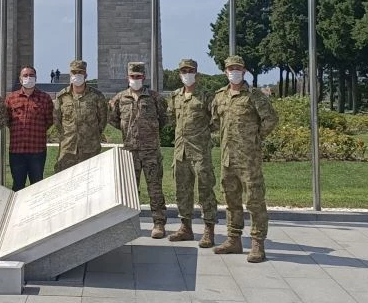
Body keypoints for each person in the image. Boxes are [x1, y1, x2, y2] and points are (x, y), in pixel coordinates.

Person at [212, 55, 279, 263]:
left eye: (238, 68)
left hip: (249, 159)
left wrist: (255, 138)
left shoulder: (254, 95)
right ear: (225, 71)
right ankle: (234, 239)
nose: (234, 71)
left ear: (245, 70)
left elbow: (271, 119)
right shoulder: (220, 96)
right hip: (228, 159)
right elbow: (215, 121)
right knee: (231, 201)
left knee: (254, 201)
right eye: (231, 68)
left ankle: (258, 243)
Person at [109, 62, 168, 239]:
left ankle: (158, 223)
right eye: (133, 76)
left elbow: (164, 119)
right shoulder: (119, 99)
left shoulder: (154, 98)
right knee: (131, 190)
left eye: (139, 77)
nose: (136, 79)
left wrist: (148, 131)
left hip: (150, 152)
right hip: (131, 152)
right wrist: (129, 132)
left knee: (155, 188)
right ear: (128, 77)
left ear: (144, 77)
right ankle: (129, 223)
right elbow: (113, 120)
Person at [167, 59, 218, 247]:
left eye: (190, 70)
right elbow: (172, 118)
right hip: (180, 151)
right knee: (182, 190)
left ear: (196, 72)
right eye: (183, 71)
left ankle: (208, 230)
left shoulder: (205, 95)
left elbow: (215, 120)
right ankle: (185, 227)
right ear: (179, 73)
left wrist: (201, 134)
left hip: (200, 152)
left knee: (205, 190)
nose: (186, 74)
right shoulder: (175, 96)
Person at [53, 60, 107, 172]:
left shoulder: (97, 96)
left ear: (86, 75)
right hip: (68, 149)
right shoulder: (62, 96)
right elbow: (57, 120)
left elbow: (103, 120)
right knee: (65, 183)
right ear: (70, 74)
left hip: (90, 149)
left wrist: (92, 134)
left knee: (91, 184)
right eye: (74, 72)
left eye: (80, 72)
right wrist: (67, 135)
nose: (77, 75)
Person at [4, 65, 53, 190]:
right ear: (20, 79)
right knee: (18, 186)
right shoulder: (11, 98)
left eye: (31, 75)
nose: (28, 78)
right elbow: (7, 120)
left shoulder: (45, 98)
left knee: (37, 187)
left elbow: (49, 121)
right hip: (17, 151)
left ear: (36, 78)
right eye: (25, 75)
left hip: (37, 151)